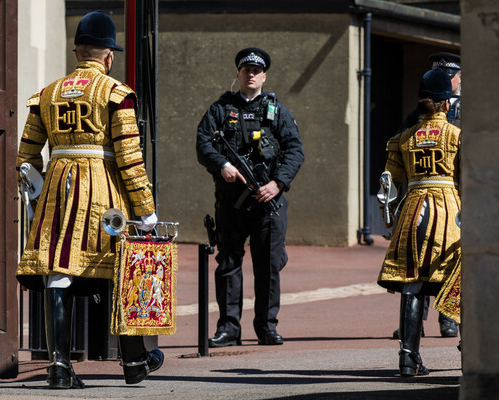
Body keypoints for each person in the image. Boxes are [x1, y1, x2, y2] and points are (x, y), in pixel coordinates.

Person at [15, 10, 163, 388]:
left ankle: (60, 367)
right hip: (104, 191)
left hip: (57, 188)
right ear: (108, 56)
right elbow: (130, 157)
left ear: (77, 51)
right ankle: (133, 362)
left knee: (59, 270)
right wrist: (145, 210)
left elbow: (25, 160)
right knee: (120, 267)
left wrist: (39, 196)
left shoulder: (45, 95)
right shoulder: (116, 93)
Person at [196, 48, 305, 347]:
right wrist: (223, 165)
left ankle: (267, 327)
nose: (251, 74)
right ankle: (229, 328)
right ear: (239, 74)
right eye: (246, 69)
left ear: (264, 75)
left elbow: (295, 151)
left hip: (268, 201)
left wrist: (278, 183)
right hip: (232, 201)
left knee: (268, 265)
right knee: (229, 262)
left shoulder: (277, 111)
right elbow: (203, 144)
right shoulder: (220, 109)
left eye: (257, 70)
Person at [377, 67, 461, 376]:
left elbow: (387, 185)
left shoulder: (402, 139)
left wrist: (389, 219)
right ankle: (470, 358)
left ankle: (408, 359)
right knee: (459, 281)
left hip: (412, 212)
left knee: (412, 284)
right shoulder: (458, 135)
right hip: (450, 213)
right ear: (445, 104)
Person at [393, 52, 461, 338]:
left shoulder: (471, 109)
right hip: (442, 196)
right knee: (420, 262)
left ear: (460, 78)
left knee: (446, 261)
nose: (444, 79)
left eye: (449, 75)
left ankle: (447, 320)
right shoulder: (417, 115)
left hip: (443, 197)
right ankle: (414, 327)